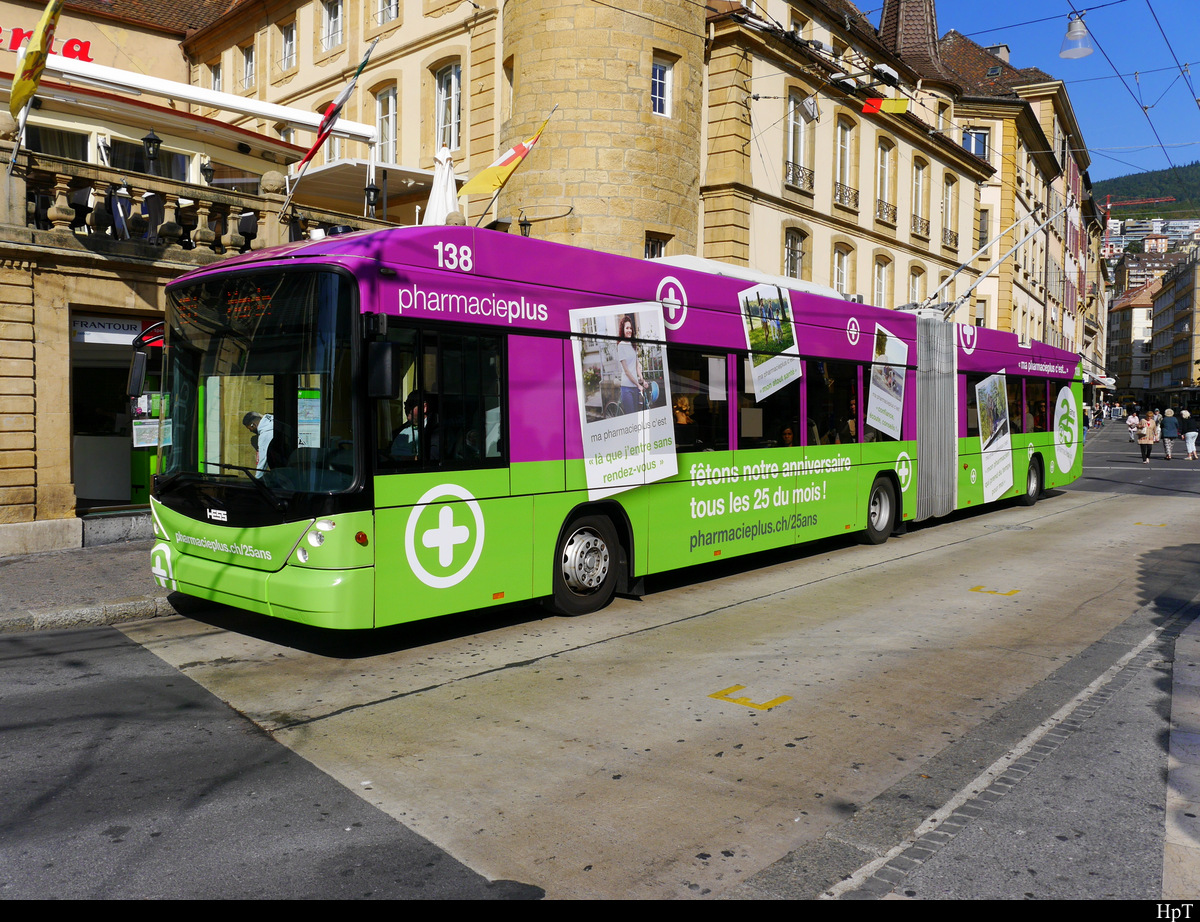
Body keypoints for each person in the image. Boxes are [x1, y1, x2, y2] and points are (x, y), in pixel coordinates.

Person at [616, 314, 647, 415]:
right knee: (631, 416)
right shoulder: (621, 346)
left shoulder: (633, 344)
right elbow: (626, 371)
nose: (629, 330)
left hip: (635, 386)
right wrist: (638, 384)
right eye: (627, 328)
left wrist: (642, 380)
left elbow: (636, 366)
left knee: (637, 414)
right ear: (623, 330)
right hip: (627, 387)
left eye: (630, 328)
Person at [242, 411, 274, 477]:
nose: (250, 431)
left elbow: (263, 461)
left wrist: (257, 480)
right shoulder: (272, 419)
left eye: (249, 428)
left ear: (253, 425)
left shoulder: (265, 435)